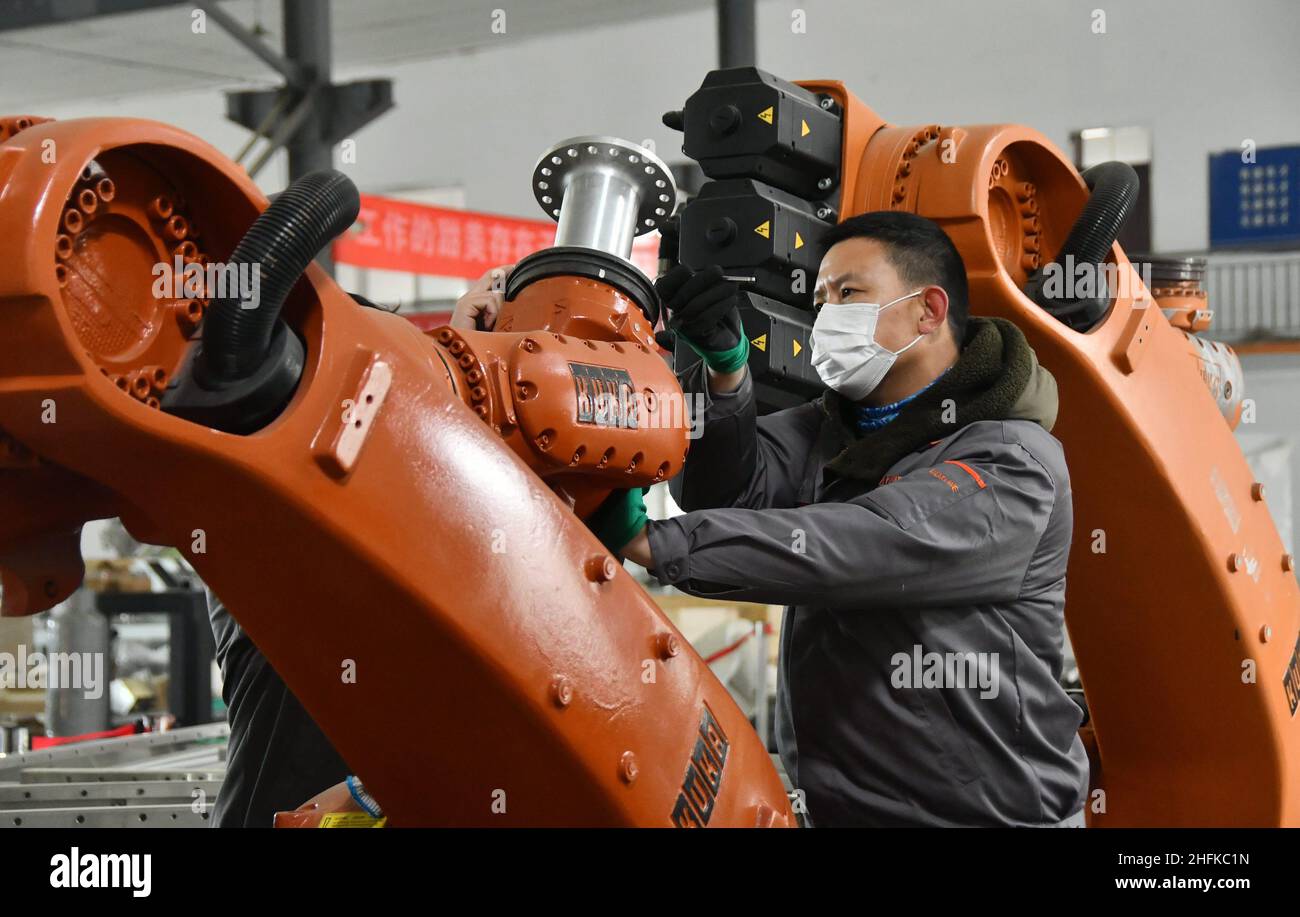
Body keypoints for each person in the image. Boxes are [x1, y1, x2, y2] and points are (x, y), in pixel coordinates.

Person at [589, 210, 1090, 827]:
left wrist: (647, 542)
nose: (827, 315)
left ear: (929, 311)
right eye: (822, 297)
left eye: (849, 294)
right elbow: (726, 494)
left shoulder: (1014, 462)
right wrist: (723, 372)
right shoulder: (833, 432)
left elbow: (862, 544)